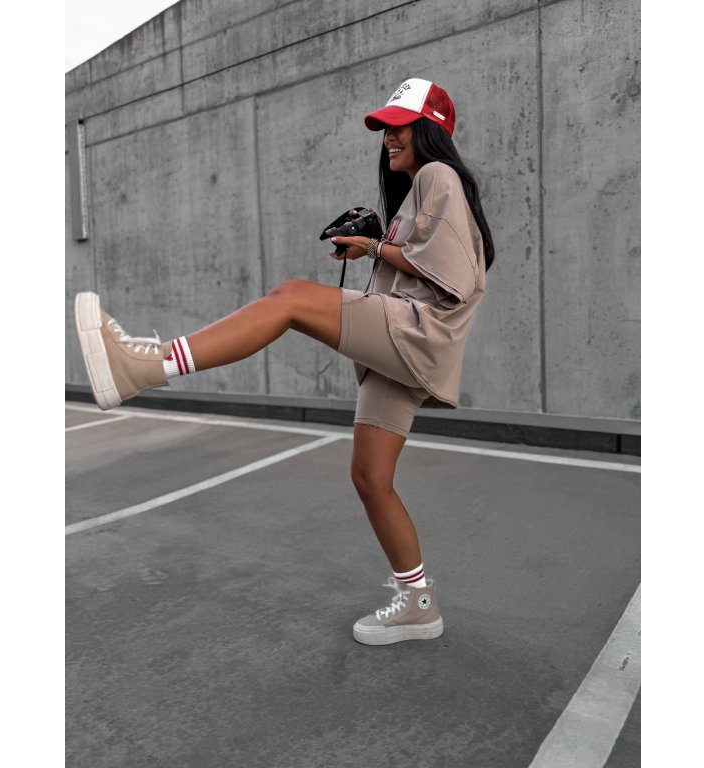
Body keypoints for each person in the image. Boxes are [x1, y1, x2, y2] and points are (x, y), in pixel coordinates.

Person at [74, 77, 496, 645]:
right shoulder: (418, 189)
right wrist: (376, 243)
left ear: (430, 130)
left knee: (291, 298)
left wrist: (373, 247)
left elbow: (453, 275)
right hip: (407, 338)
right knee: (370, 478)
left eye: (399, 126)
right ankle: (419, 603)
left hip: (416, 330)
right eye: (384, 128)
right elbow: (424, 258)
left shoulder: (436, 174)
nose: (388, 137)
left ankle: (148, 365)